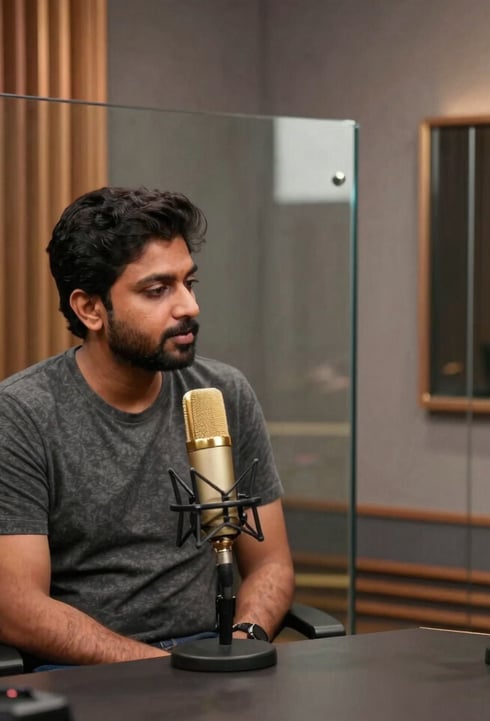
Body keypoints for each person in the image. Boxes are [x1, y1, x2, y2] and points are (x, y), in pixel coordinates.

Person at [0, 186, 295, 667]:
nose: (188, 307)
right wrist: (160, 670)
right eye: (157, 290)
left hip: (209, 658)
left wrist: (245, 636)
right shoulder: (21, 414)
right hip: (88, 672)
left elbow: (271, 563)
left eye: (188, 283)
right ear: (90, 309)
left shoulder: (221, 393)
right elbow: (17, 609)